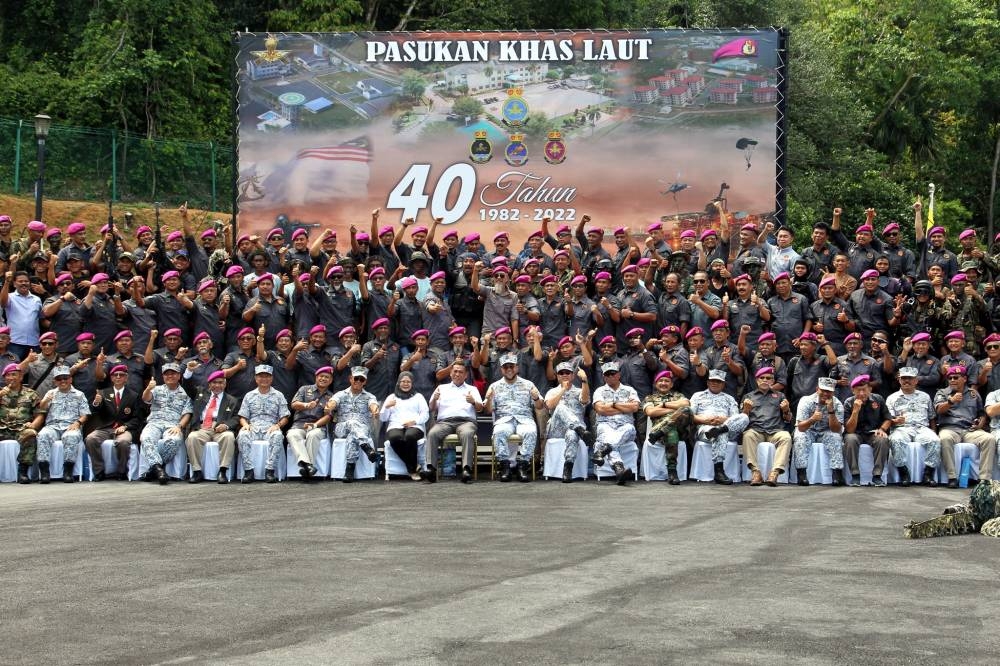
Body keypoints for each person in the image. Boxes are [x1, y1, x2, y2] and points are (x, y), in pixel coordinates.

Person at [484, 352, 543, 483]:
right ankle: (505, 467)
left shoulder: (528, 384)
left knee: (531, 432)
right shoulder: (494, 386)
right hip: (505, 419)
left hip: (524, 419)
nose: (509, 369)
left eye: (512, 366)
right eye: (506, 367)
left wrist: (536, 397)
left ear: (517, 367)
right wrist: (488, 398)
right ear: (501, 369)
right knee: (499, 432)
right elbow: (488, 410)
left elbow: (539, 406)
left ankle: (523, 465)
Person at [935, 365, 995, 488]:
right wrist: (950, 401)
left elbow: (981, 413)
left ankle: (984, 479)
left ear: (964, 379)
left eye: (956, 377)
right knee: (944, 439)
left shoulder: (974, 394)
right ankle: (952, 477)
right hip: (950, 428)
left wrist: (981, 423)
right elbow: (939, 410)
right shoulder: (942, 393)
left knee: (989, 439)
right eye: (950, 378)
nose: (952, 380)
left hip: (970, 430)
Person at [84, 364, 143, 481]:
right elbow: (95, 411)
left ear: (126, 378)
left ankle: (121, 472)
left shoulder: (134, 395)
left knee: (124, 442)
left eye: (121, 375)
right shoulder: (102, 393)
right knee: (90, 439)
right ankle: (99, 471)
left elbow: (137, 418)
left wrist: (126, 426)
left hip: (124, 428)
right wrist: (96, 403)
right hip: (106, 427)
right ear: (111, 378)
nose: (118, 377)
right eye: (115, 375)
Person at [426, 362, 482, 483]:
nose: (457, 374)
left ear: (466, 375)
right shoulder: (441, 388)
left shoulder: (472, 389)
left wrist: (473, 402)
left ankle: (466, 469)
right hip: (444, 422)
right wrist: (434, 399)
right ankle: (431, 468)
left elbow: (480, 408)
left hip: (466, 422)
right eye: (455, 371)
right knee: (432, 433)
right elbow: (432, 408)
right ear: (451, 373)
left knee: (467, 434)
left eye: (460, 372)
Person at [691, 369, 748, 485]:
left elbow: (735, 418)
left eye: (718, 381)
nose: (714, 383)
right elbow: (689, 415)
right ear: (707, 382)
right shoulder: (698, 396)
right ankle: (719, 471)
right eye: (712, 381)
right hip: (705, 429)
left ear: (723, 384)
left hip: (726, 426)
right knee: (720, 434)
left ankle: (720, 430)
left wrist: (724, 420)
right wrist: (705, 419)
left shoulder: (729, 398)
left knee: (744, 417)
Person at [886, 366, 941, 487]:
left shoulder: (925, 396)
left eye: (910, 378)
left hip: (922, 428)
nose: (907, 381)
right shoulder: (892, 398)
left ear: (916, 380)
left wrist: (934, 431)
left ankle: (928, 474)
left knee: (935, 440)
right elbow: (887, 419)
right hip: (902, 428)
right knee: (896, 440)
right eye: (904, 378)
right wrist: (895, 421)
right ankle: (903, 473)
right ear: (899, 380)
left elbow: (932, 417)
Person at [139, 362, 192, 485]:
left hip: (173, 424)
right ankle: (159, 469)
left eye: (173, 374)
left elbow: (187, 413)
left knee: (174, 440)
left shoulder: (185, 392)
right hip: (154, 423)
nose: (170, 376)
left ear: (179, 376)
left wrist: (180, 426)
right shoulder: (156, 389)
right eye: (166, 374)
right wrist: (148, 388)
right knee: (146, 437)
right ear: (163, 377)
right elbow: (145, 399)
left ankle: (154, 469)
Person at [184, 369, 240, 484]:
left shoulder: (232, 400)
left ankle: (223, 471)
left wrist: (226, 425)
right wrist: (189, 370)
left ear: (225, 384)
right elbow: (186, 385)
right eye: (214, 382)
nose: (217, 385)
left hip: (220, 428)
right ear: (209, 384)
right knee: (192, 437)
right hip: (202, 427)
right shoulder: (200, 393)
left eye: (220, 382)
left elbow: (236, 418)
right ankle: (197, 471)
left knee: (229, 436)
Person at [36, 365, 90, 483]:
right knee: (42, 435)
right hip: (53, 426)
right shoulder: (50, 393)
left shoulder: (79, 394)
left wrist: (78, 422)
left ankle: (68, 472)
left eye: (65, 378)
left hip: (71, 425)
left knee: (71, 437)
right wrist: (45, 401)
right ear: (55, 381)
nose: (63, 381)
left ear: (71, 379)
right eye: (59, 379)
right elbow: (42, 409)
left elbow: (85, 414)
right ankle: (45, 472)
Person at [237, 364, 290, 484]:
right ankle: (248, 471)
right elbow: (243, 416)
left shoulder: (278, 395)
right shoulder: (249, 395)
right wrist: (245, 424)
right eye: (261, 376)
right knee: (242, 435)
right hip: (253, 427)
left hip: (270, 427)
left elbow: (285, 416)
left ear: (271, 379)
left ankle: (270, 470)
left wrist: (278, 425)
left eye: (267, 376)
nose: (264, 379)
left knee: (277, 436)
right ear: (256, 378)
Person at [325, 366, 379, 483]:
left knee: (353, 435)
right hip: (342, 428)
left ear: (365, 382)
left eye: (362, 379)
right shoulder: (341, 394)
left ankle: (349, 469)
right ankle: (367, 448)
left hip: (362, 429)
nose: (358, 381)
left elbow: (373, 404)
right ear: (350, 379)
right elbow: (333, 402)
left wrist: (375, 410)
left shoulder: (369, 396)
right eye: (356, 378)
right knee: (352, 423)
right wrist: (330, 406)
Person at [741, 366, 793, 487]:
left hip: (775, 431)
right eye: (762, 378)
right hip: (756, 430)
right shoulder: (749, 396)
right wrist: (746, 410)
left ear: (773, 381)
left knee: (786, 437)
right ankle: (755, 472)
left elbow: (788, 419)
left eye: (768, 378)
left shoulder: (780, 396)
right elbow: (742, 420)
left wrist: (786, 410)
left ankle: (774, 472)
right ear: (757, 380)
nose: (765, 380)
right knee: (747, 435)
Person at [592, 361, 640, 485]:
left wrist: (612, 405)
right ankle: (619, 470)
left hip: (626, 425)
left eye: (613, 373)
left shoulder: (629, 390)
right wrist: (623, 407)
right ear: (604, 377)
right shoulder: (599, 391)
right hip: (605, 424)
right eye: (607, 375)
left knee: (627, 429)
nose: (610, 376)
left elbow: (634, 408)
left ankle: (602, 451)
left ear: (619, 375)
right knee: (608, 435)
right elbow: (600, 409)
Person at [286, 366, 336, 481]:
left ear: (331, 380)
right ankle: (308, 466)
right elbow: (294, 404)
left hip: (317, 426)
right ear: (316, 377)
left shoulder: (331, 397)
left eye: (327, 377)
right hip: (299, 424)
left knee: (313, 435)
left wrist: (314, 425)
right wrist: (306, 405)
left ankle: (307, 467)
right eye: (321, 376)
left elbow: (329, 416)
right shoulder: (304, 389)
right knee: (292, 434)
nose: (323, 379)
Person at [793, 376, 845, 486]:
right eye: (823, 390)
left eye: (829, 391)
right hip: (809, 430)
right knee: (800, 436)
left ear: (833, 392)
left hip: (827, 431)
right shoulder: (806, 401)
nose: (826, 394)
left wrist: (831, 412)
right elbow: (801, 427)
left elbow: (836, 429)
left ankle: (837, 474)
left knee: (835, 437)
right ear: (817, 389)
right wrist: (812, 419)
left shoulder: (838, 404)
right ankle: (801, 473)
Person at [380, 371, 430, 481]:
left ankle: (412, 469)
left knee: (410, 437)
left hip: (415, 426)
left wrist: (414, 421)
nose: (406, 384)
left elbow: (425, 414)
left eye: (408, 382)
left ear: (412, 383)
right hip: (395, 425)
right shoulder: (392, 397)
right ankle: (414, 467)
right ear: (398, 383)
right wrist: (387, 407)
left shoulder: (418, 397)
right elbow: (383, 418)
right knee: (394, 438)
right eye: (403, 381)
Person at [642, 370, 690, 485]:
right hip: (659, 429)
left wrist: (663, 405)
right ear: (655, 383)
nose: (664, 383)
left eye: (667, 381)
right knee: (671, 433)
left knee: (687, 410)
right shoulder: (650, 398)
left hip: (680, 430)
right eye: (661, 380)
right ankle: (672, 471)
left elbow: (686, 404)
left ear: (671, 384)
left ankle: (664, 430)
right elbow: (650, 412)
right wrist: (674, 409)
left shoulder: (678, 395)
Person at [842, 374, 891, 487]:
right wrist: (855, 412)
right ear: (853, 390)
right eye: (858, 390)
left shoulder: (878, 399)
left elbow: (888, 419)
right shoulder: (848, 402)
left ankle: (877, 476)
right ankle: (855, 475)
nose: (862, 393)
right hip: (856, 433)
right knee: (850, 439)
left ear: (870, 389)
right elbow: (849, 430)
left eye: (864, 390)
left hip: (873, 432)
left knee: (882, 439)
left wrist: (882, 429)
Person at [0, 363, 43, 484]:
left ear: (21, 377)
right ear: (4, 378)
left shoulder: (31, 393)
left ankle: (23, 471)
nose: (12, 378)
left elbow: (39, 414)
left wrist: (34, 425)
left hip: (21, 428)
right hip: (2, 427)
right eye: (8, 375)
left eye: (15, 375)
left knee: (30, 434)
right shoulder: (1, 392)